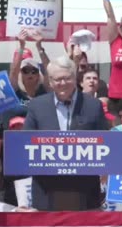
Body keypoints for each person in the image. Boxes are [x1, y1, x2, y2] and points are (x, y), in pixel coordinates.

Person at [23, 56, 108, 211]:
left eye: (66, 78)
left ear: (75, 77)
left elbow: (107, 143)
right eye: (57, 79)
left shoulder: (93, 105)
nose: (62, 83)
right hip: (46, 193)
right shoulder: (37, 106)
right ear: (49, 81)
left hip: (85, 193)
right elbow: (24, 144)